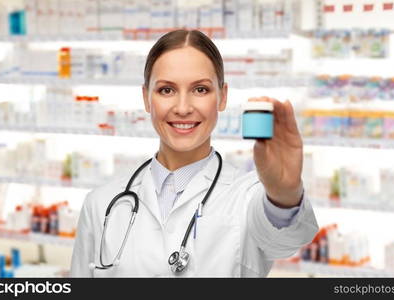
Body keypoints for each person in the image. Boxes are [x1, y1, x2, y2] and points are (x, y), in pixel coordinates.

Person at [70, 29, 318, 277]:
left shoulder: (248, 198)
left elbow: (285, 240)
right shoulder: (101, 204)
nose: (183, 108)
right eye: (167, 90)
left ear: (222, 97)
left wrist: (284, 195)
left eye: (200, 90)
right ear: (146, 98)